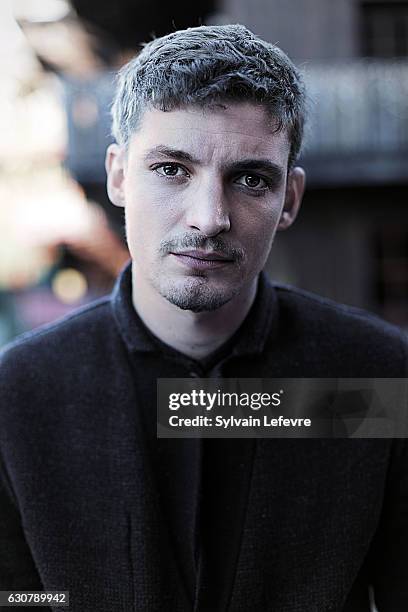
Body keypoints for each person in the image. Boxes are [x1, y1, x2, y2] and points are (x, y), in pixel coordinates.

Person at [0, 24, 407, 612]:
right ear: (118, 175)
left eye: (249, 179)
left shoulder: (375, 375)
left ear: (288, 199)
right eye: (171, 168)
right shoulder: (22, 394)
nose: (209, 217)